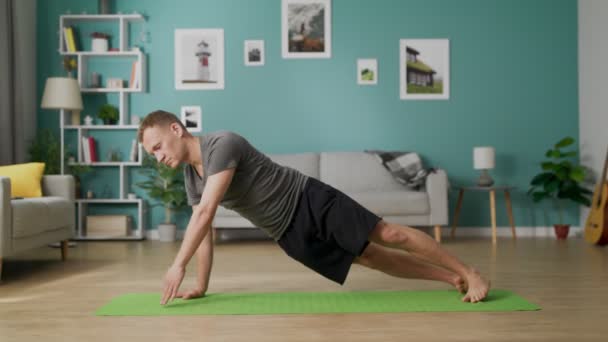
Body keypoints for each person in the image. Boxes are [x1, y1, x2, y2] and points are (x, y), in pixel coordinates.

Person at [137, 110, 490, 306]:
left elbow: (205, 214)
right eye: (152, 153)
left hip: (307, 199)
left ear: (176, 129)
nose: (158, 157)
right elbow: (206, 235)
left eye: (157, 147)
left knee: (388, 234)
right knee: (368, 257)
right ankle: (451, 278)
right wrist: (201, 284)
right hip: (287, 234)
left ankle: (470, 271)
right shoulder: (191, 176)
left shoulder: (221, 143)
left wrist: (176, 266)